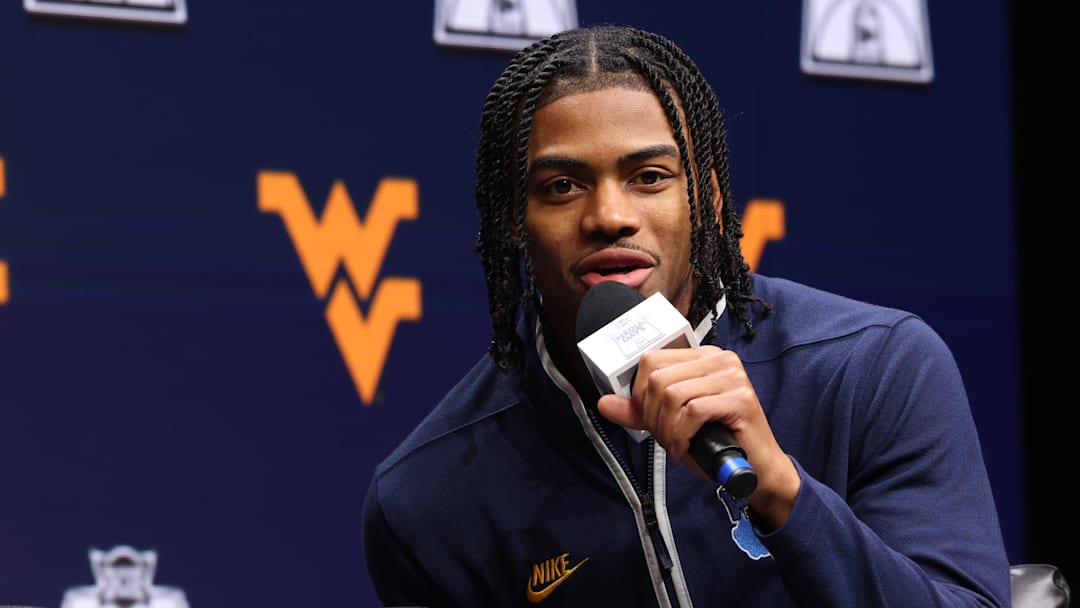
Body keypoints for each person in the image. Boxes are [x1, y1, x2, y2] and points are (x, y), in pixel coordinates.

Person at [361, 23, 1012, 607]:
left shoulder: (872, 369)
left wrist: (783, 492)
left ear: (708, 197)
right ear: (511, 221)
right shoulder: (428, 494)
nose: (610, 216)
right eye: (562, 186)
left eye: (648, 176)